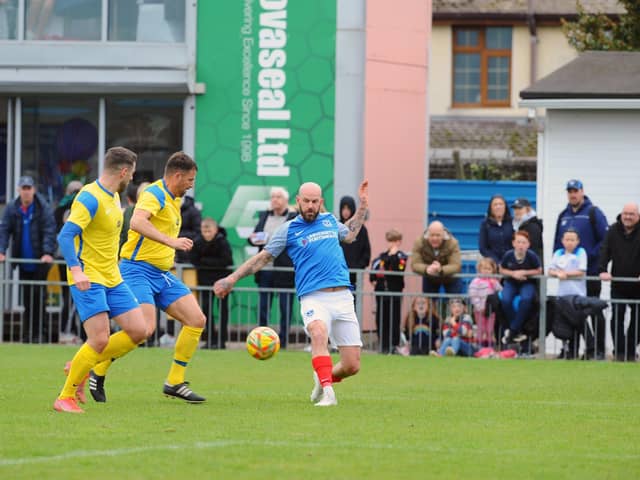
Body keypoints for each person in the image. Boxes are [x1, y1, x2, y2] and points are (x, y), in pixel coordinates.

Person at [214, 180, 370, 407]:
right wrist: (231, 279)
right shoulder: (288, 230)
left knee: (352, 366)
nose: (310, 205)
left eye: (314, 202)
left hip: (343, 296)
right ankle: (328, 394)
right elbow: (262, 258)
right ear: (298, 201)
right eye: (305, 201)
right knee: (318, 333)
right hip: (314, 297)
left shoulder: (329, 221)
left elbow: (350, 235)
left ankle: (322, 378)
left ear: (320, 203)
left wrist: (363, 205)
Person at [90, 152, 207, 404]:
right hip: (137, 270)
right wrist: (171, 241)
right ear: (177, 175)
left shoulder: (174, 198)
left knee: (197, 320)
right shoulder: (154, 194)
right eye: (190, 179)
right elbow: (137, 222)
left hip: (161, 273)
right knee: (144, 330)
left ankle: (174, 381)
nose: (191, 184)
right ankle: (92, 365)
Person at [53, 147, 147, 413]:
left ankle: (82, 364)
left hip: (112, 277)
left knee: (139, 330)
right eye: (133, 173)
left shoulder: (115, 197)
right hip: (89, 277)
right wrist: (76, 270)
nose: (133, 178)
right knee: (99, 338)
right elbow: (65, 236)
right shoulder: (89, 197)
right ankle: (65, 397)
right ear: (124, 171)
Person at [553, 179, 608, 357]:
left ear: (582, 192)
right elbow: (557, 244)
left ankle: (598, 350)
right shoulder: (563, 215)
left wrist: (589, 255)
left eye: (576, 191)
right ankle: (571, 350)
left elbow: (604, 240)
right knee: (570, 313)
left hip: (589, 272)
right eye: (570, 191)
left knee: (594, 310)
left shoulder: (593, 212)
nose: (573, 194)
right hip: (568, 279)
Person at [0, 175, 56, 343]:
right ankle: (27, 334)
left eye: (28, 188)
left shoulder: (42, 207)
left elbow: (49, 230)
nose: (26, 192)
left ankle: (41, 334)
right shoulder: (12, 208)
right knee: (27, 300)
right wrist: (2, 250)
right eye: (23, 188)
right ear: (18, 190)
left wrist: (47, 252)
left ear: (33, 190)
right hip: (24, 263)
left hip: (40, 263)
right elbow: (4, 230)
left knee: (39, 299)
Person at [248, 187, 297, 347]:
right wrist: (253, 238)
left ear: (285, 200)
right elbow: (254, 237)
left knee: (285, 307)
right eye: (273, 197)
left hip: (284, 269)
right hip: (265, 269)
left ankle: (283, 341)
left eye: (278, 197)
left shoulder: (293, 218)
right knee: (263, 307)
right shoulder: (264, 217)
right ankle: (261, 340)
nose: (275, 199)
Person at [599, 203, 640, 362]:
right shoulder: (613, 230)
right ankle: (620, 352)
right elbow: (605, 250)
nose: (628, 217)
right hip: (618, 284)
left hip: (638, 286)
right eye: (625, 214)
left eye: (631, 214)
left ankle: (630, 351)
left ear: (638, 216)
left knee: (638, 320)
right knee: (616, 318)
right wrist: (602, 269)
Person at [191, 217, 233, 349]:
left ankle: (221, 341)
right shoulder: (197, 242)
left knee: (222, 312)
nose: (206, 234)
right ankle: (210, 340)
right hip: (204, 282)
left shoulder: (223, 242)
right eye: (204, 231)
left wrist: (205, 262)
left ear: (215, 230)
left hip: (221, 282)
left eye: (209, 231)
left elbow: (226, 261)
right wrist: (209, 262)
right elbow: (194, 260)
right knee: (206, 312)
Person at [548, 228, 588, 359]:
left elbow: (581, 271)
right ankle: (567, 351)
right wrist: (558, 274)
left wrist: (565, 274)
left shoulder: (581, 252)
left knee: (579, 323)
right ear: (562, 241)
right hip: (563, 295)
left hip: (577, 295)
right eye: (567, 239)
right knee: (565, 324)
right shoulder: (558, 253)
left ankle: (586, 349)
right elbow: (551, 270)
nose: (569, 242)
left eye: (572, 240)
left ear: (577, 241)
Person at [499, 230, 542, 345]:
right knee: (505, 300)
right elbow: (501, 269)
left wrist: (525, 272)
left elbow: (539, 270)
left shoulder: (532, 256)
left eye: (524, 242)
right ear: (513, 243)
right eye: (518, 242)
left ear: (528, 244)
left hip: (527, 282)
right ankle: (517, 330)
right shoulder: (508, 255)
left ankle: (512, 331)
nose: (521, 245)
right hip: (511, 282)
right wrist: (513, 274)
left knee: (526, 300)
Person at [370, 228, 408, 354]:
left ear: (399, 242)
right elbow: (374, 271)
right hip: (381, 294)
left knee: (394, 319)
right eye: (390, 241)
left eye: (395, 241)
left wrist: (393, 256)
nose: (392, 244)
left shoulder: (401, 256)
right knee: (381, 319)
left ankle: (394, 345)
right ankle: (384, 345)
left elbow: (399, 269)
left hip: (395, 293)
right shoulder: (381, 257)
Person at [410, 221, 463, 300]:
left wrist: (441, 269)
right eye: (432, 235)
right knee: (429, 304)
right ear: (428, 234)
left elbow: (456, 265)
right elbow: (414, 264)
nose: (435, 238)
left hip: (450, 277)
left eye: (438, 235)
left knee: (455, 303)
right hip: (430, 276)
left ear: (443, 235)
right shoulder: (419, 242)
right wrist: (426, 269)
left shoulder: (453, 243)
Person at [339, 195, 371, 293]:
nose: (345, 211)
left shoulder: (361, 230)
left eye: (348, 208)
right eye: (343, 208)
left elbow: (366, 253)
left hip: (354, 278)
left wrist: (357, 267)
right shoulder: (337, 228)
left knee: (353, 305)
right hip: (338, 276)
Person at [468, 257, 502, 348]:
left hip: (490, 310)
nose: (486, 271)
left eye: (489, 269)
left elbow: (500, 291)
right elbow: (473, 295)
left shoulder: (493, 281)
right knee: (481, 328)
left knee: (490, 329)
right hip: (479, 310)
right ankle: (479, 346)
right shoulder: (476, 281)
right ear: (479, 269)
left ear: (492, 270)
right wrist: (479, 307)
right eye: (484, 269)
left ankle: (490, 346)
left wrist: (495, 283)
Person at [479, 194, 514, 266]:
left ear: (505, 206)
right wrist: (497, 262)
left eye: (501, 204)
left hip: (511, 264)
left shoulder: (512, 222)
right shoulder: (485, 224)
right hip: (493, 265)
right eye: (495, 205)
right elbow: (483, 248)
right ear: (491, 208)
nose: (498, 207)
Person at [511, 197, 543, 266]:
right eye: (515, 209)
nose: (517, 211)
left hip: (530, 266)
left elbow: (533, 250)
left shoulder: (533, 226)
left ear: (528, 209)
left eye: (520, 208)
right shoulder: (517, 225)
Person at [175, 193, 201, 264]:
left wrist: (177, 237)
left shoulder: (193, 211)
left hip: (186, 254)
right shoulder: (169, 209)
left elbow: (198, 232)